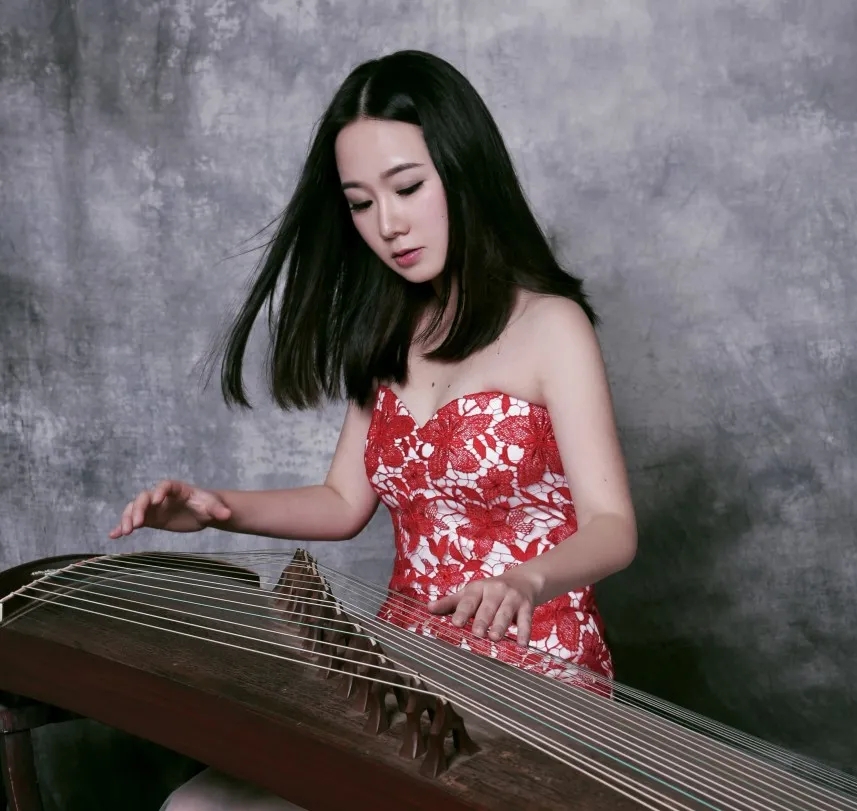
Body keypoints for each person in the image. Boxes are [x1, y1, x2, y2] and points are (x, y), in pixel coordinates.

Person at [109, 49, 637, 809]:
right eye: (360, 203)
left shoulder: (552, 327)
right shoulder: (388, 330)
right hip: (406, 668)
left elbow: (613, 526)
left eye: (408, 187)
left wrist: (527, 579)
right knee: (197, 806)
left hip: (534, 672)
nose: (387, 224)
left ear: (464, 171)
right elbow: (342, 501)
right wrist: (216, 507)